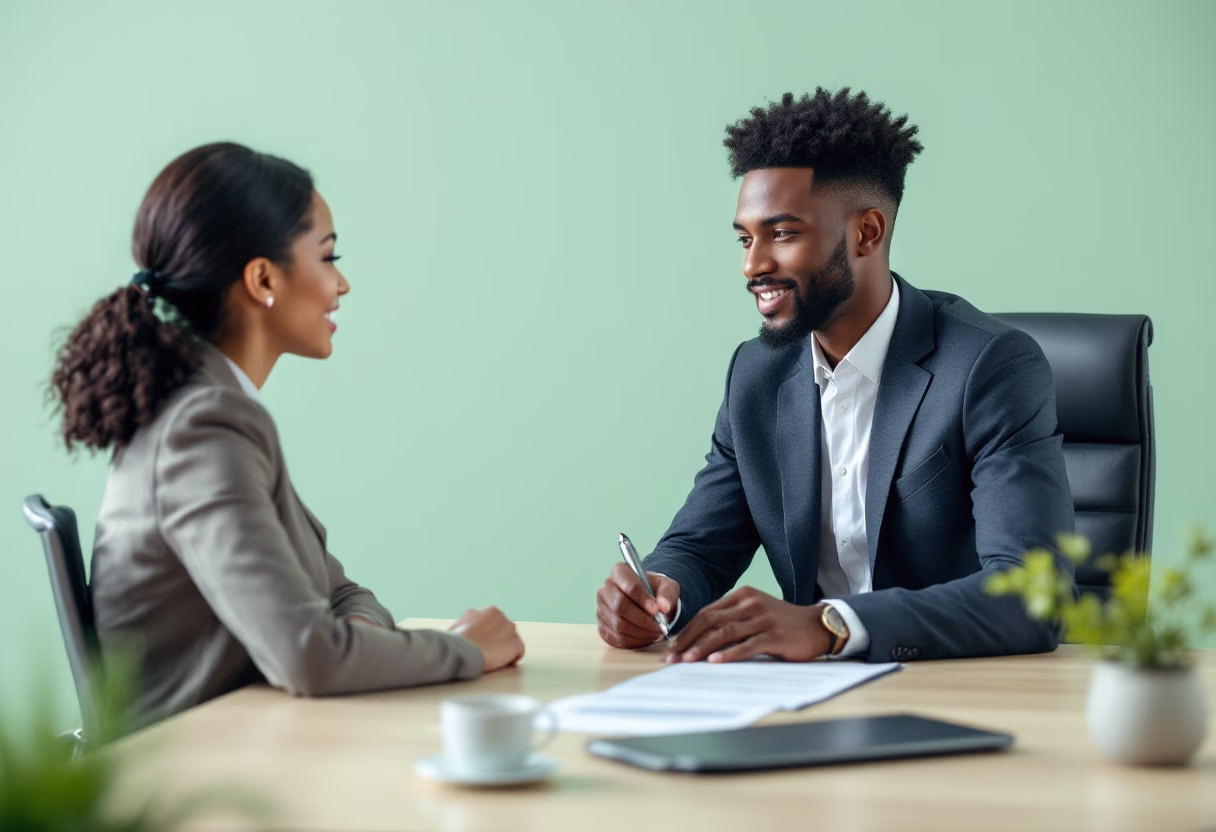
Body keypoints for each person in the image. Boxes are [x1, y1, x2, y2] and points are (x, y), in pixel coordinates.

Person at [50, 142, 524, 728]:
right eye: (328, 257)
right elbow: (310, 657)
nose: (342, 284)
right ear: (263, 278)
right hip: (191, 783)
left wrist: (351, 639)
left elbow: (343, 595)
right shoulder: (202, 429)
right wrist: (469, 650)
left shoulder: (215, 410)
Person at [596, 89, 1075, 664]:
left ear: (866, 233)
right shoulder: (758, 373)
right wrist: (658, 592)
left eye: (783, 233)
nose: (753, 265)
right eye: (746, 238)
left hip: (950, 690)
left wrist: (831, 626)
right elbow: (701, 544)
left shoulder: (988, 367)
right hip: (801, 695)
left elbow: (1033, 594)